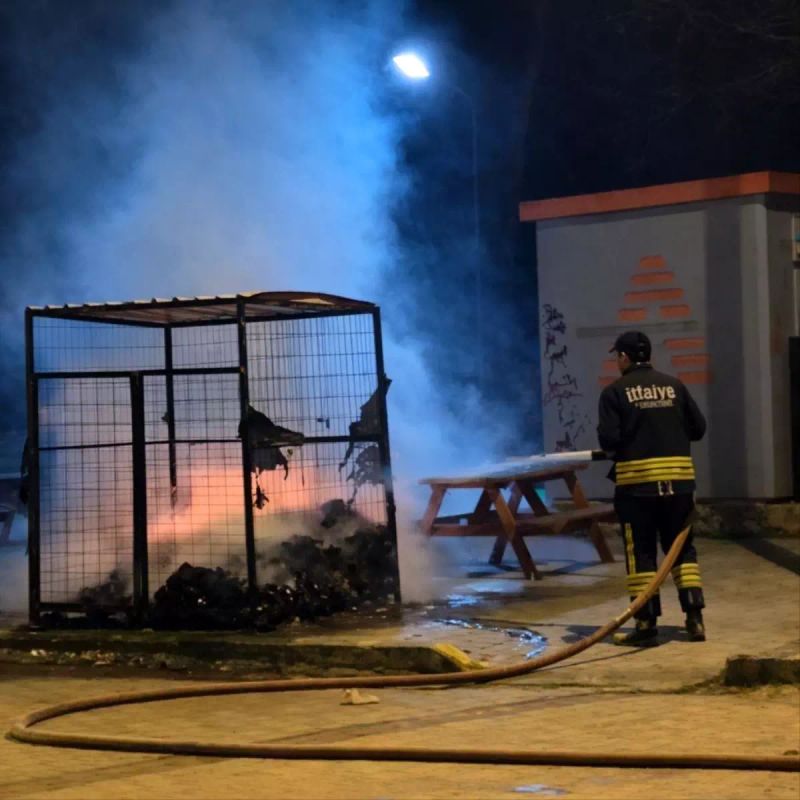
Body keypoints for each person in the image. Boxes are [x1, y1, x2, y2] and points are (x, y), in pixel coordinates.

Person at [597, 331, 707, 646]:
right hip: (680, 486)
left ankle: (646, 622)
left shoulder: (614, 392)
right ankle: (695, 618)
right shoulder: (675, 386)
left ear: (624, 358)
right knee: (682, 550)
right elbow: (698, 429)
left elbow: (609, 441)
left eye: (616, 356)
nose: (616, 361)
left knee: (641, 551)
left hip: (637, 488)